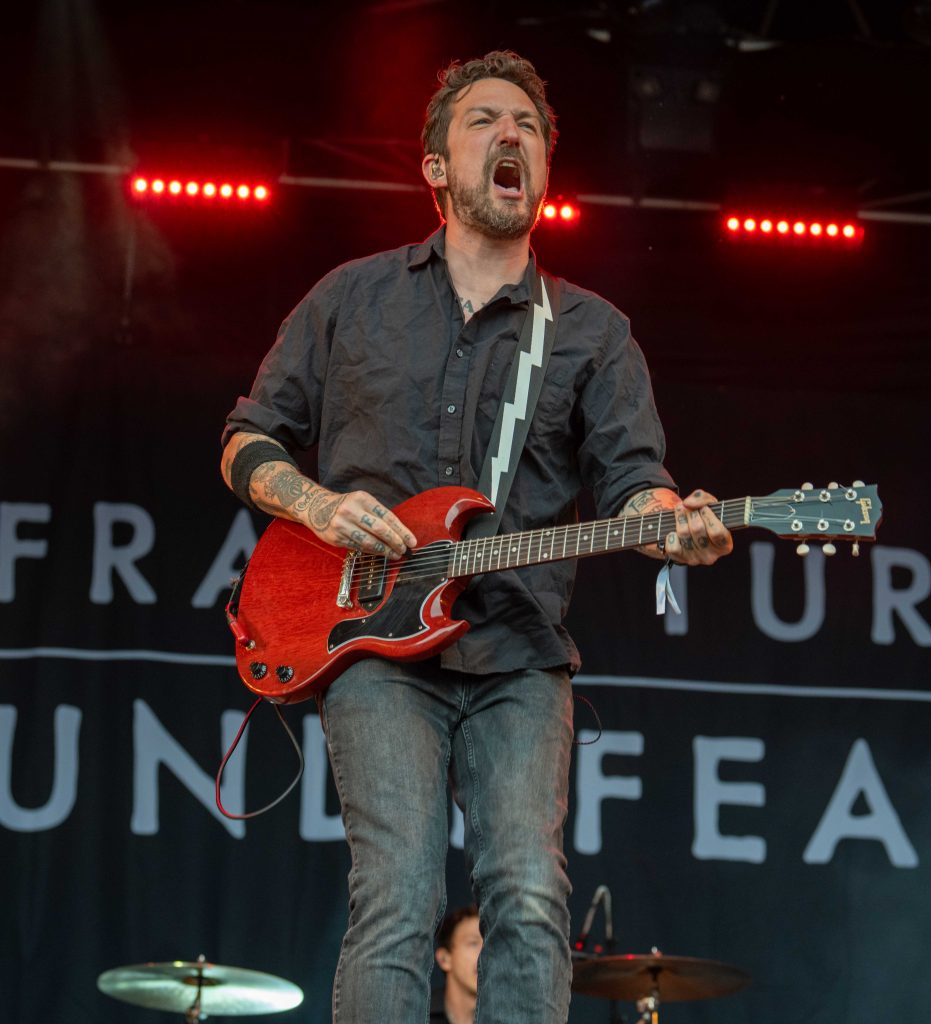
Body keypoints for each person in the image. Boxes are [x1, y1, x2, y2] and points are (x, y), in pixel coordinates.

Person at [220, 50, 732, 1024]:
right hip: (370, 645)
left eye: (529, 127)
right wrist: (317, 505)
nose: (511, 136)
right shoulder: (349, 300)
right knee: (399, 897)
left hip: (520, 652)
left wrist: (668, 525)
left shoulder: (590, 330)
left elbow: (632, 480)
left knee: (531, 897)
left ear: (542, 167)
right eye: (485, 121)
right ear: (435, 166)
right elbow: (247, 438)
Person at [431, 906, 483, 1024]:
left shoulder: (514, 1015)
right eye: (473, 943)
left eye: (491, 945)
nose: (485, 953)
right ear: (444, 959)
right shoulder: (416, 1012)